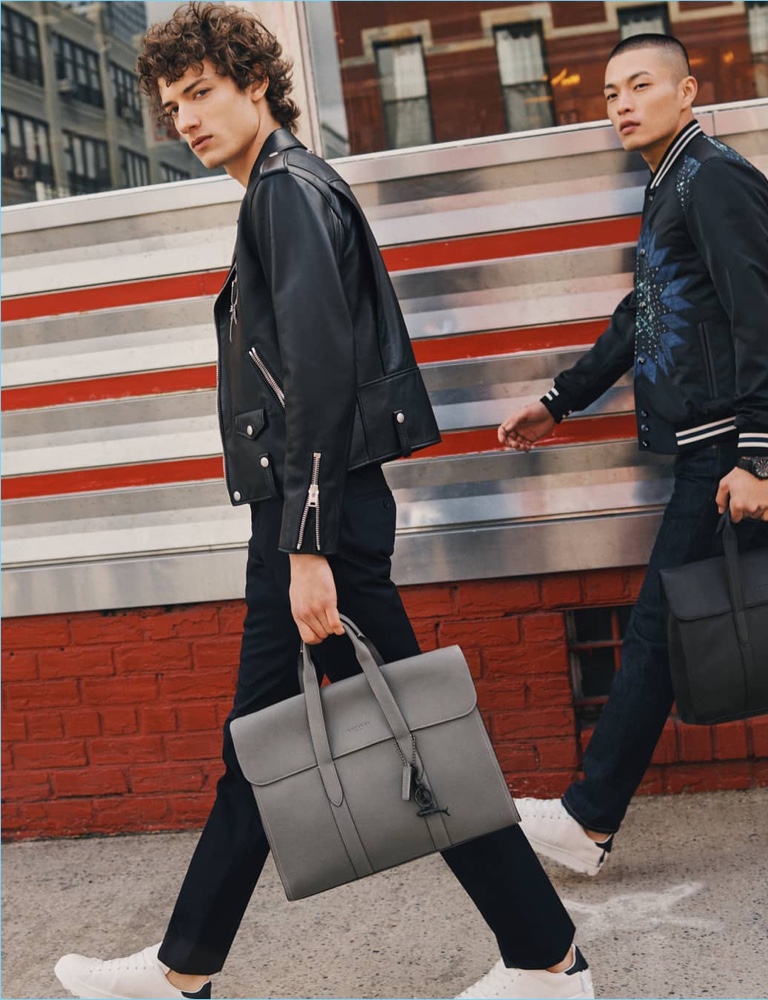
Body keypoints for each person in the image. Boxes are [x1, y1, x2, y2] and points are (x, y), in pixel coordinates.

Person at [55, 5, 594, 999]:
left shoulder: (284, 193)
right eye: (172, 106)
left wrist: (305, 542)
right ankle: (186, 968)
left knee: (393, 737)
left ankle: (546, 959)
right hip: (314, 512)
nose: (186, 118)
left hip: (318, 517)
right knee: (273, 743)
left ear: (256, 82)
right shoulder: (285, 186)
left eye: (203, 93)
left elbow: (317, 375)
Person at [500, 33, 768, 877]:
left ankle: (587, 819)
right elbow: (647, 311)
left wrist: (761, 453)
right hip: (715, 448)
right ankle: (587, 821)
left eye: (640, 84)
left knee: (659, 631)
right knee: (672, 630)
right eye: (608, 92)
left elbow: (766, 315)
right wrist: (560, 401)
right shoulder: (672, 184)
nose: (622, 102)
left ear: (687, 91)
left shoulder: (713, 179)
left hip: (726, 454)